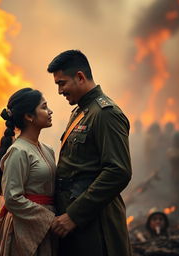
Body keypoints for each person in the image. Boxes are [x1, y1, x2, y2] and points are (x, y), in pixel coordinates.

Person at [47, 50, 132, 256]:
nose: (59, 91)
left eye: (62, 83)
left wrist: (74, 216)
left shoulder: (106, 113)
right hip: (77, 224)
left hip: (95, 224)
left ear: (80, 77)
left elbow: (118, 171)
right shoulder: (81, 111)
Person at [0, 88, 57, 256]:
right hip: (24, 227)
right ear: (29, 116)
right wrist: (49, 219)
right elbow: (12, 198)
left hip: (48, 224)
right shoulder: (18, 151)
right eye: (44, 107)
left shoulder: (48, 149)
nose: (50, 111)